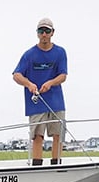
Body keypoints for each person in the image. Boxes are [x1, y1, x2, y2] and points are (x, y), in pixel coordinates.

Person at [12, 17, 67, 165]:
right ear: (37, 33)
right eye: (41, 31)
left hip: (56, 101)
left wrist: (51, 82)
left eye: (47, 31)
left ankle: (56, 163)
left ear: (52, 33)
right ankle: (37, 164)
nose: (44, 34)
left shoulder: (60, 52)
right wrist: (29, 84)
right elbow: (16, 75)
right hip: (36, 102)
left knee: (58, 134)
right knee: (37, 135)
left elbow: (63, 75)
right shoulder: (29, 54)